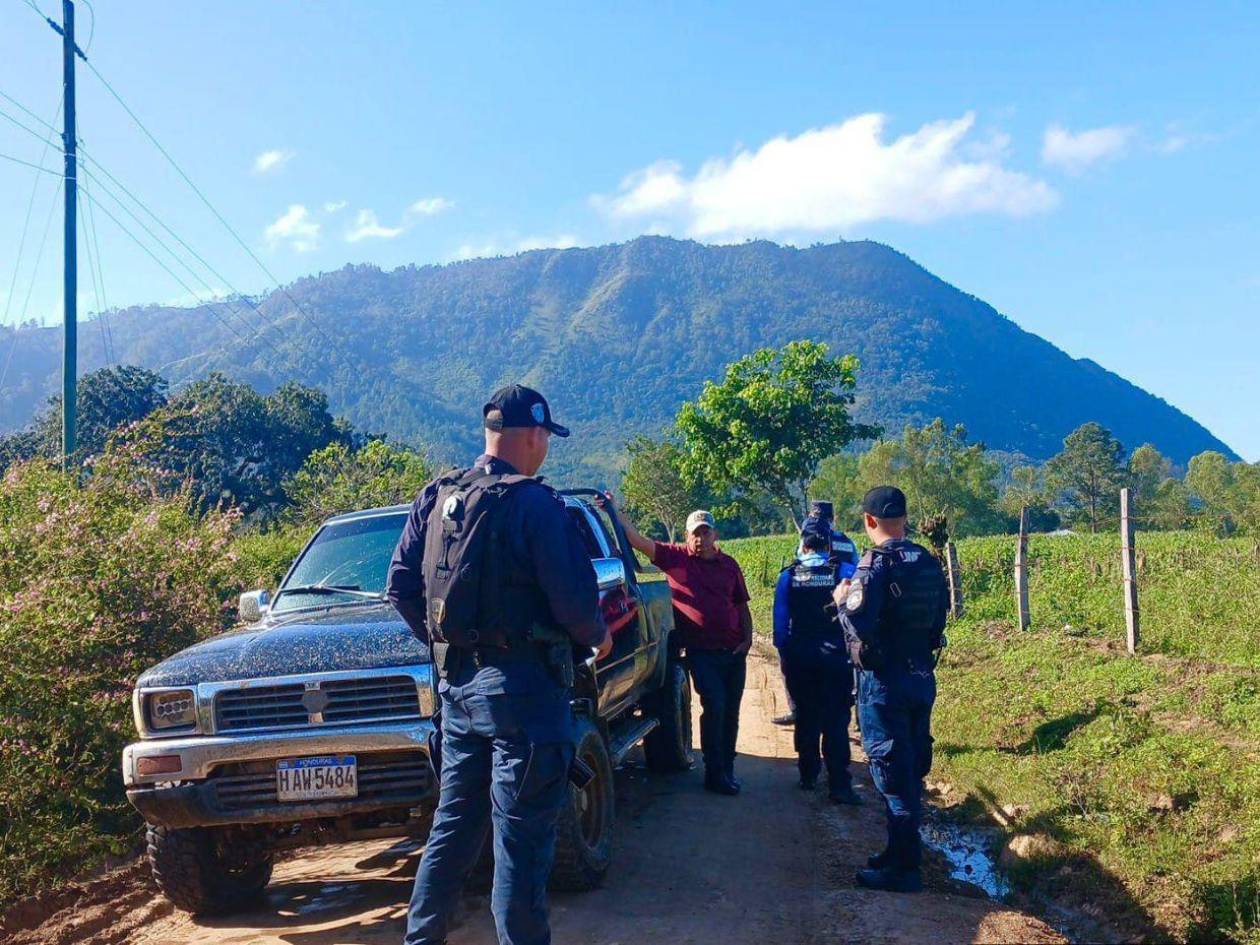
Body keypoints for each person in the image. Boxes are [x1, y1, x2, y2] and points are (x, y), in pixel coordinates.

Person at [387, 384, 613, 945]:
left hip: (460, 690)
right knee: (520, 842)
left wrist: (448, 647)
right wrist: (596, 637)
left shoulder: (437, 495)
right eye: (546, 438)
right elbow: (573, 600)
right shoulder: (537, 503)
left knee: (454, 828)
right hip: (527, 695)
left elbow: (399, 586)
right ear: (535, 435)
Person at [834, 486, 948, 893]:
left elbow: (858, 625)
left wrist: (843, 601)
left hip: (884, 682)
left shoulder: (874, 566)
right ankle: (896, 851)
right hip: (921, 675)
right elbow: (939, 624)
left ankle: (904, 869)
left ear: (868, 521)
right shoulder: (929, 562)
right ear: (904, 517)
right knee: (910, 764)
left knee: (889, 769)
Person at [600, 498, 753, 796]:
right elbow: (638, 541)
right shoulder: (676, 559)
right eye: (695, 533)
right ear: (686, 536)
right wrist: (613, 510)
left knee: (731, 712)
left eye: (705, 532)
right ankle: (714, 772)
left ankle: (727, 768)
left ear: (715, 535)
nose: (700, 538)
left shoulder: (729, 565)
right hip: (702, 653)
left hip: (734, 652)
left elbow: (742, 606)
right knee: (716, 707)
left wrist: (747, 640)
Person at [772, 518, 862, 805]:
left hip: (801, 658)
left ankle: (808, 774)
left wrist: (786, 655)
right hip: (836, 659)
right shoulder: (845, 571)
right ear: (827, 545)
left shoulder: (788, 576)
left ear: (803, 545)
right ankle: (839, 784)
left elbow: (780, 624)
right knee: (836, 721)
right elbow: (858, 611)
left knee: (807, 716)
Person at [772, 501, 860, 727]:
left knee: (807, 720)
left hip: (804, 639)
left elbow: (782, 620)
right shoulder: (847, 543)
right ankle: (855, 711)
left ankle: (796, 709)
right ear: (833, 518)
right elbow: (858, 574)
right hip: (838, 629)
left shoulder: (798, 558)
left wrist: (783, 645)